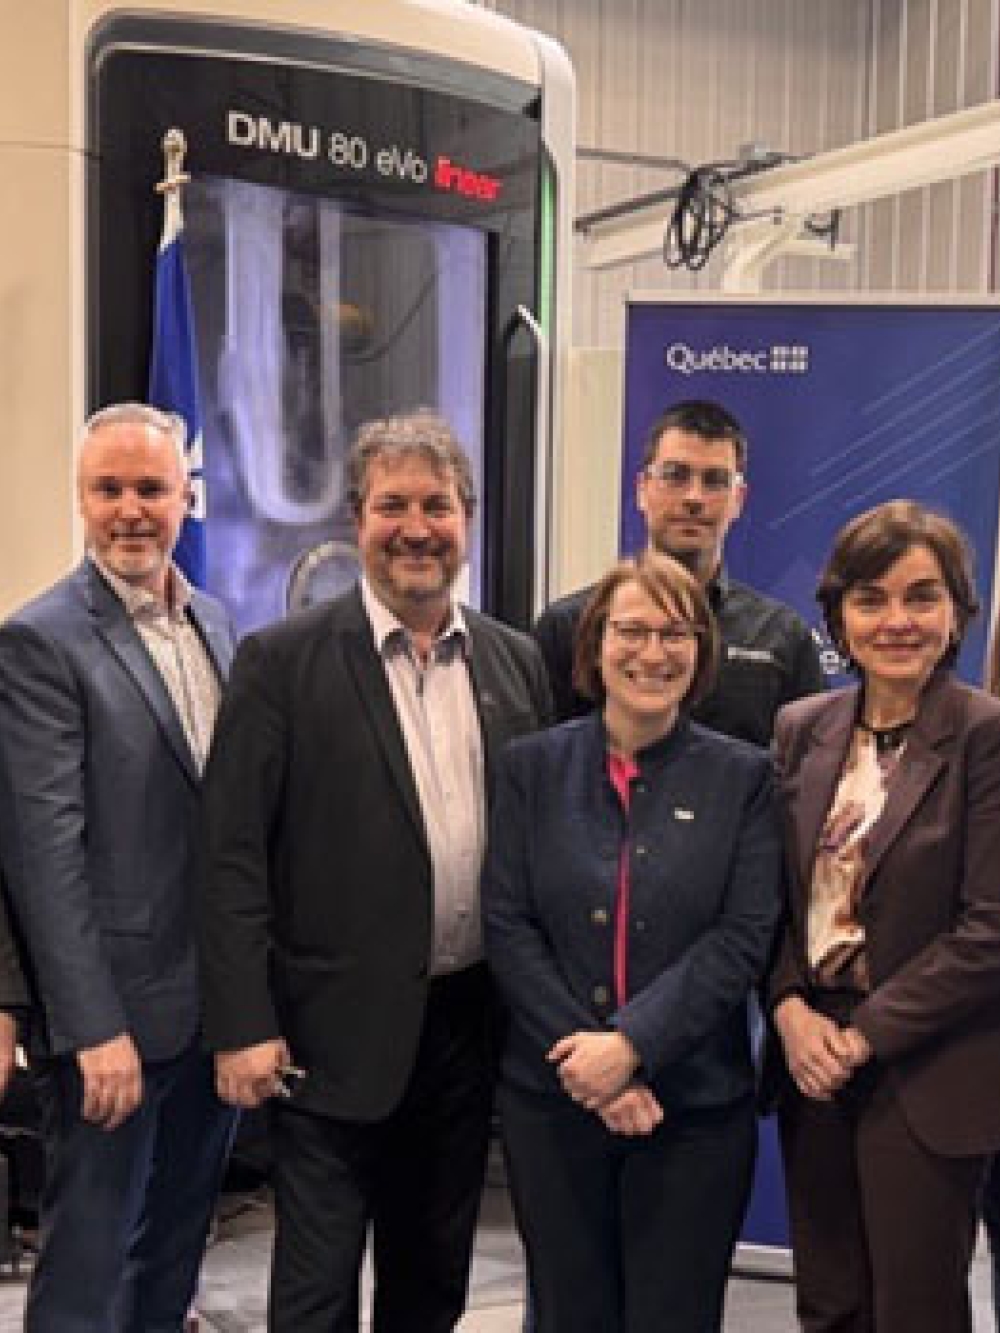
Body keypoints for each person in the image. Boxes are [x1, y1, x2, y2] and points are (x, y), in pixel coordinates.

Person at [198, 409, 552, 1332]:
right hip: (323, 1039)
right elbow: (231, 853)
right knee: (314, 1294)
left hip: (467, 1032)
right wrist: (241, 1024)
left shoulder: (516, 663)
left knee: (430, 1284)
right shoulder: (280, 663)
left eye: (437, 503)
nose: (416, 525)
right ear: (356, 520)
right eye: (392, 503)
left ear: (467, 517)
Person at [483, 554, 782, 1333]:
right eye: (632, 629)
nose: (653, 651)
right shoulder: (529, 768)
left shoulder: (746, 777)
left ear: (702, 650)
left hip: (693, 1110)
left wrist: (633, 1047)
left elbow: (743, 936)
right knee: (567, 1315)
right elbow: (509, 924)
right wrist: (593, 1066)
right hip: (554, 1102)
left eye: (676, 632)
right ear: (594, 646)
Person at [0, 403, 238, 1332]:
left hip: (213, 1013)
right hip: (115, 1028)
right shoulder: (41, 640)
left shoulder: (214, 623)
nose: (131, 509)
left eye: (151, 488)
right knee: (89, 1266)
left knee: (175, 1248)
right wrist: (92, 1027)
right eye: (110, 489)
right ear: (81, 499)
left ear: (187, 495)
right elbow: (42, 851)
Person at [766, 499, 1000, 1333]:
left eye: (920, 596)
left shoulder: (984, 735)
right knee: (829, 1303)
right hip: (811, 1059)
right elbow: (774, 899)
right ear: (838, 617)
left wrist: (863, 1034)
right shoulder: (801, 729)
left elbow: (990, 930)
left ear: (957, 614)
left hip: (923, 1063)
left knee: (916, 1312)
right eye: (870, 598)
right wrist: (789, 1008)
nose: (895, 620)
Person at [533, 398, 825, 739]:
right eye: (675, 476)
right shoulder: (569, 625)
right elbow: (545, 764)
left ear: (738, 500)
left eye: (715, 481)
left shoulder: (781, 636)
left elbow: (805, 770)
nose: (694, 497)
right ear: (642, 490)